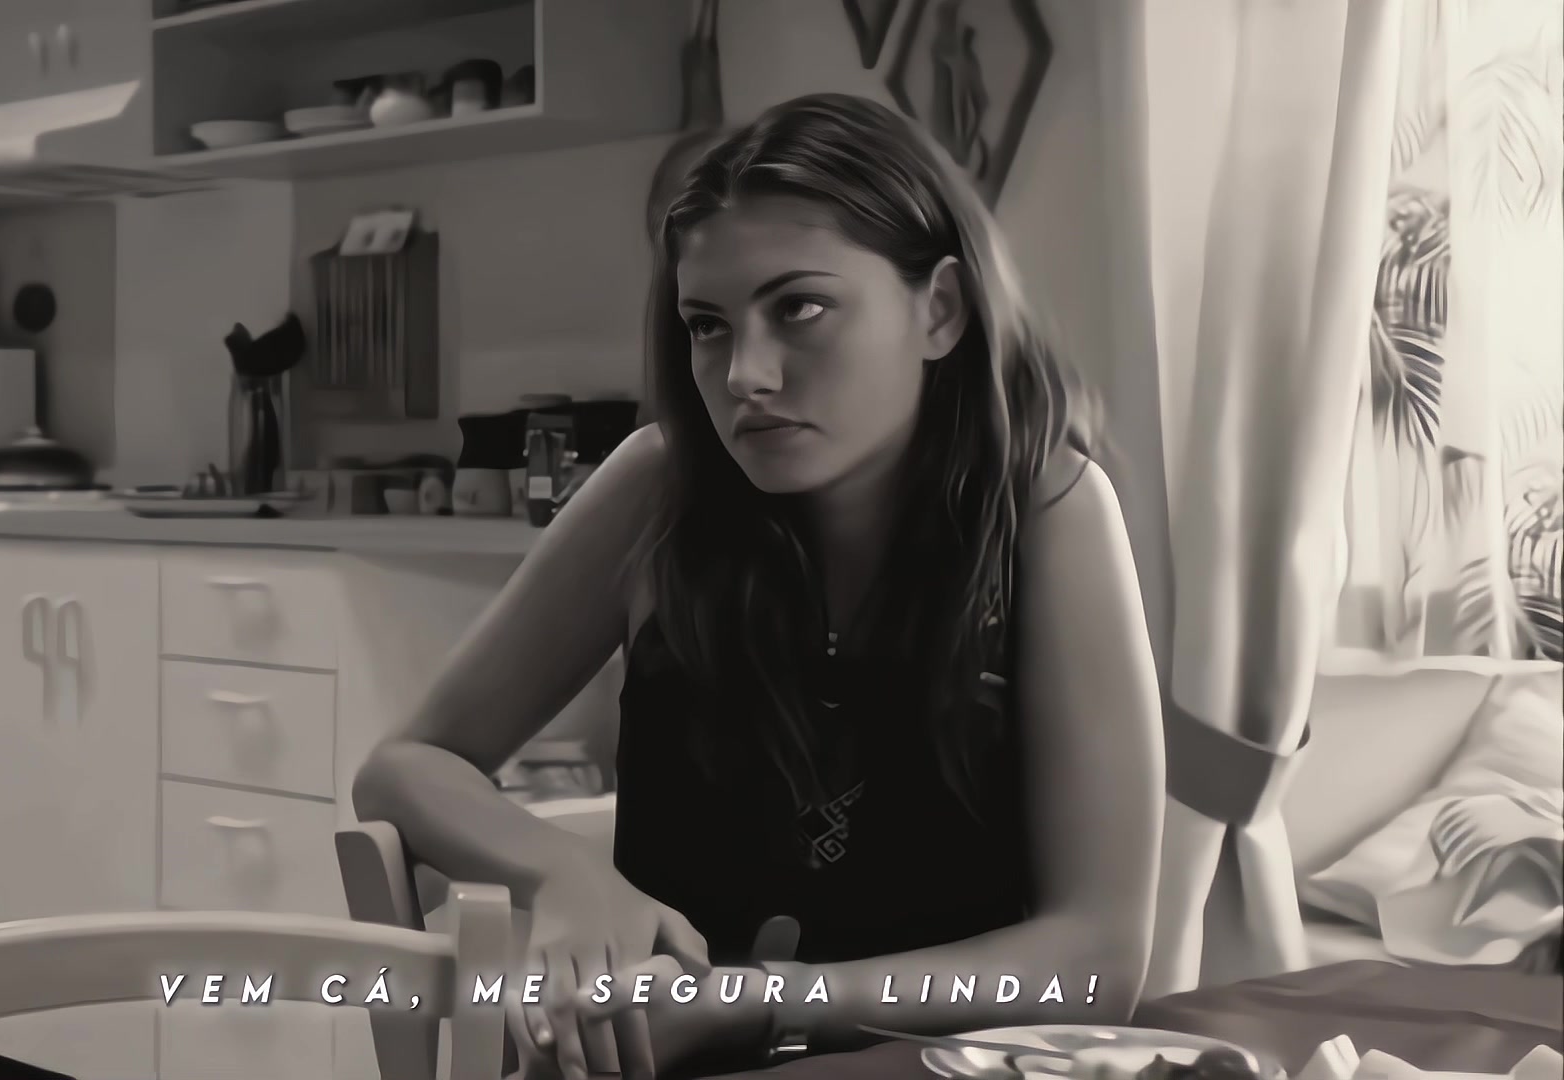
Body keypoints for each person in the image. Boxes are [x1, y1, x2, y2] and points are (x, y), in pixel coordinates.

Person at [353, 93, 1165, 1079]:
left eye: (799, 309)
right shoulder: (658, 490)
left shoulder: (1050, 511)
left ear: (941, 310)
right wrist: (562, 872)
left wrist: (754, 1005)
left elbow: (1097, 960)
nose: (746, 373)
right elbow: (406, 766)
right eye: (707, 325)